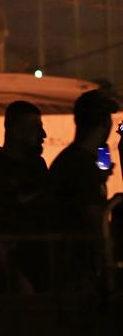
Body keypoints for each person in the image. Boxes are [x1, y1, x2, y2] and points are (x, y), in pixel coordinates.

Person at [0, 100, 48, 290]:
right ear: (15, 131)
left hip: (44, 271)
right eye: (35, 128)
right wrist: (14, 279)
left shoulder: (37, 167)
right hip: (10, 285)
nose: (43, 135)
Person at [46, 90, 119, 289]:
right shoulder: (79, 165)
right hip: (76, 271)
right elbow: (94, 217)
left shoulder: (79, 159)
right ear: (104, 123)